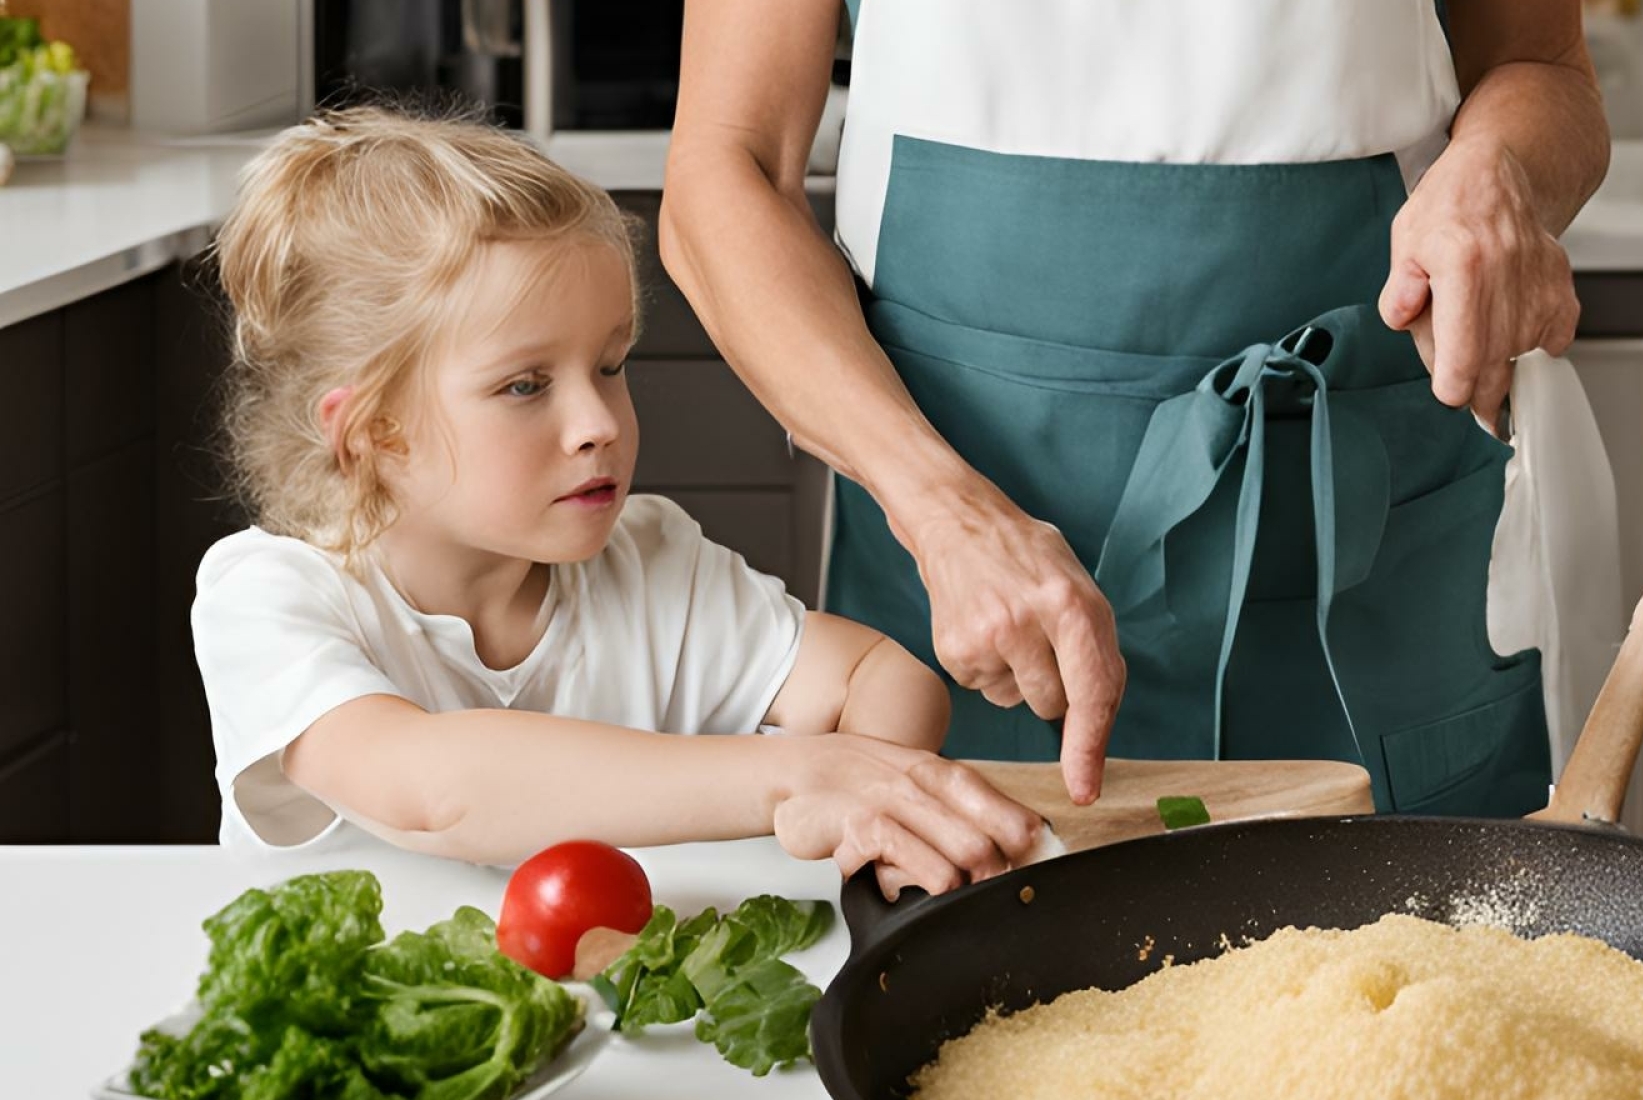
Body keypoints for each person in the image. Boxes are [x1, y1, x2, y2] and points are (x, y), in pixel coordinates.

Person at [660, 2, 1614, 817]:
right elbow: (724, 169)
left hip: (1363, 533)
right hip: (971, 561)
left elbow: (1542, 69)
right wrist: (940, 510)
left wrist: (1499, 166)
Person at [192, 108, 1046, 893]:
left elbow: (881, 675)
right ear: (375, 432)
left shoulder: (653, 562)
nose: (599, 422)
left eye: (609, 365)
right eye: (526, 386)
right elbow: (434, 789)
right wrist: (799, 778)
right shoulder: (269, 599)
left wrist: (868, 796)